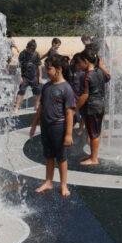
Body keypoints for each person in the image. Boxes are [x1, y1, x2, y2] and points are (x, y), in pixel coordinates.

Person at [30, 55, 76, 198]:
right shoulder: (47, 86)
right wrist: (34, 124)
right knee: (48, 155)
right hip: (46, 126)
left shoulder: (66, 88)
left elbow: (70, 113)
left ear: (59, 69)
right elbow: (41, 107)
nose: (46, 72)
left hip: (59, 127)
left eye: (48, 69)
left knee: (61, 157)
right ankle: (48, 181)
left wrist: (68, 134)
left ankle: (63, 184)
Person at [76, 50, 110, 165]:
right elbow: (108, 77)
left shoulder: (87, 76)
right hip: (100, 105)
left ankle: (94, 159)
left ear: (86, 61)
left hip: (92, 107)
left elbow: (85, 95)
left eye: (80, 63)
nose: (79, 66)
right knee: (95, 132)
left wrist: (75, 108)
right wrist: (101, 66)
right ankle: (92, 155)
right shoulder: (99, 72)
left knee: (93, 134)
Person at [13, 39, 41, 111]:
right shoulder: (22, 54)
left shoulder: (36, 54)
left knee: (37, 91)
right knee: (21, 91)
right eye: (30, 49)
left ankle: (36, 106)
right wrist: (20, 77)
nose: (31, 51)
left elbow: (39, 66)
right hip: (24, 77)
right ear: (27, 47)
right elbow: (18, 66)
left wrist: (39, 77)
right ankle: (17, 107)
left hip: (34, 76)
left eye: (33, 50)